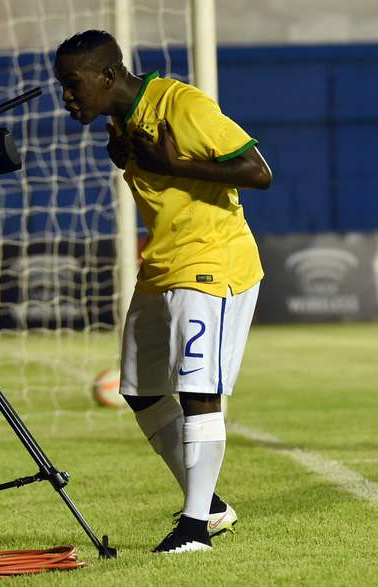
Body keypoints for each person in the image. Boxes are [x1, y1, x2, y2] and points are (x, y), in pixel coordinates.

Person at [54, 30, 272, 554]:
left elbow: (258, 172)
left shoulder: (182, 104)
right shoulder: (122, 120)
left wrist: (176, 165)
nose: (67, 96)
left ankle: (195, 529)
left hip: (211, 261)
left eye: (73, 84)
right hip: (162, 264)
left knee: (198, 394)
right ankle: (213, 506)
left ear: (108, 76)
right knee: (143, 391)